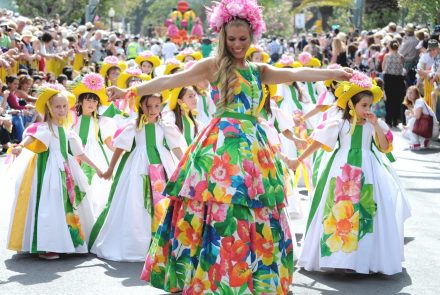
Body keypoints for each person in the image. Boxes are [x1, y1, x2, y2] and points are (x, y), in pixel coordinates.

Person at [107, 0, 351, 292]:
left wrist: (332, 74)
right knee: (214, 205)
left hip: (252, 146)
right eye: (232, 39)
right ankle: (210, 275)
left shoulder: (258, 70)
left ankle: (247, 277)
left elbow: (296, 74)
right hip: (219, 145)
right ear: (222, 36)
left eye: (243, 39)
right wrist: (130, 90)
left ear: (252, 37)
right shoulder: (212, 66)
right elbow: (171, 80)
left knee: (254, 208)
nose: (237, 44)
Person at [287, 71, 411, 275]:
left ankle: (365, 258)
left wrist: (376, 126)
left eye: (369, 105)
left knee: (367, 207)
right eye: (363, 105)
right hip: (342, 171)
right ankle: (341, 257)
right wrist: (298, 160)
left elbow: (384, 146)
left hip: (368, 169)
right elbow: (318, 143)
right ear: (351, 105)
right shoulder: (339, 123)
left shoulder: (374, 124)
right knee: (339, 209)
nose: (367, 109)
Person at [88, 93, 186, 262]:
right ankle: (139, 244)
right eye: (149, 106)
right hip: (137, 167)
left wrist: (185, 165)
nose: (153, 110)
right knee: (138, 202)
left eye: (157, 106)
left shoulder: (165, 127)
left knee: (162, 202)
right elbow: (120, 148)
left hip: (161, 166)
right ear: (141, 106)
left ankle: (161, 241)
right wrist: (110, 168)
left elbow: (175, 147)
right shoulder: (134, 126)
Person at [7, 84, 100, 260]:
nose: (62, 110)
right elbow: (31, 137)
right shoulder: (45, 128)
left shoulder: (67, 130)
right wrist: (20, 146)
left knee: (70, 203)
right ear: (49, 108)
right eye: (58, 106)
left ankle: (70, 241)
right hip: (48, 170)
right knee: (51, 204)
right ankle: (47, 244)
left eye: (65, 106)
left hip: (67, 169)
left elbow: (80, 153)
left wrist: (99, 169)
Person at [71, 73, 116, 213]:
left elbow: (109, 143)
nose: (91, 104)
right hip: (75, 152)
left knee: (94, 185)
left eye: (95, 101)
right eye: (88, 100)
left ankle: (90, 212)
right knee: (75, 183)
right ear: (80, 102)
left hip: (95, 154)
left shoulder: (101, 121)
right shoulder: (73, 119)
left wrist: (123, 151)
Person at [402, 85, 438, 150]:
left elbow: (417, 116)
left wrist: (410, 115)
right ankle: (424, 140)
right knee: (408, 119)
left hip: (432, 129)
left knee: (407, 129)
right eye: (408, 93)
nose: (409, 95)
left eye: (411, 93)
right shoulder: (416, 103)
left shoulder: (419, 101)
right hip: (429, 128)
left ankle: (416, 144)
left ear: (416, 94)